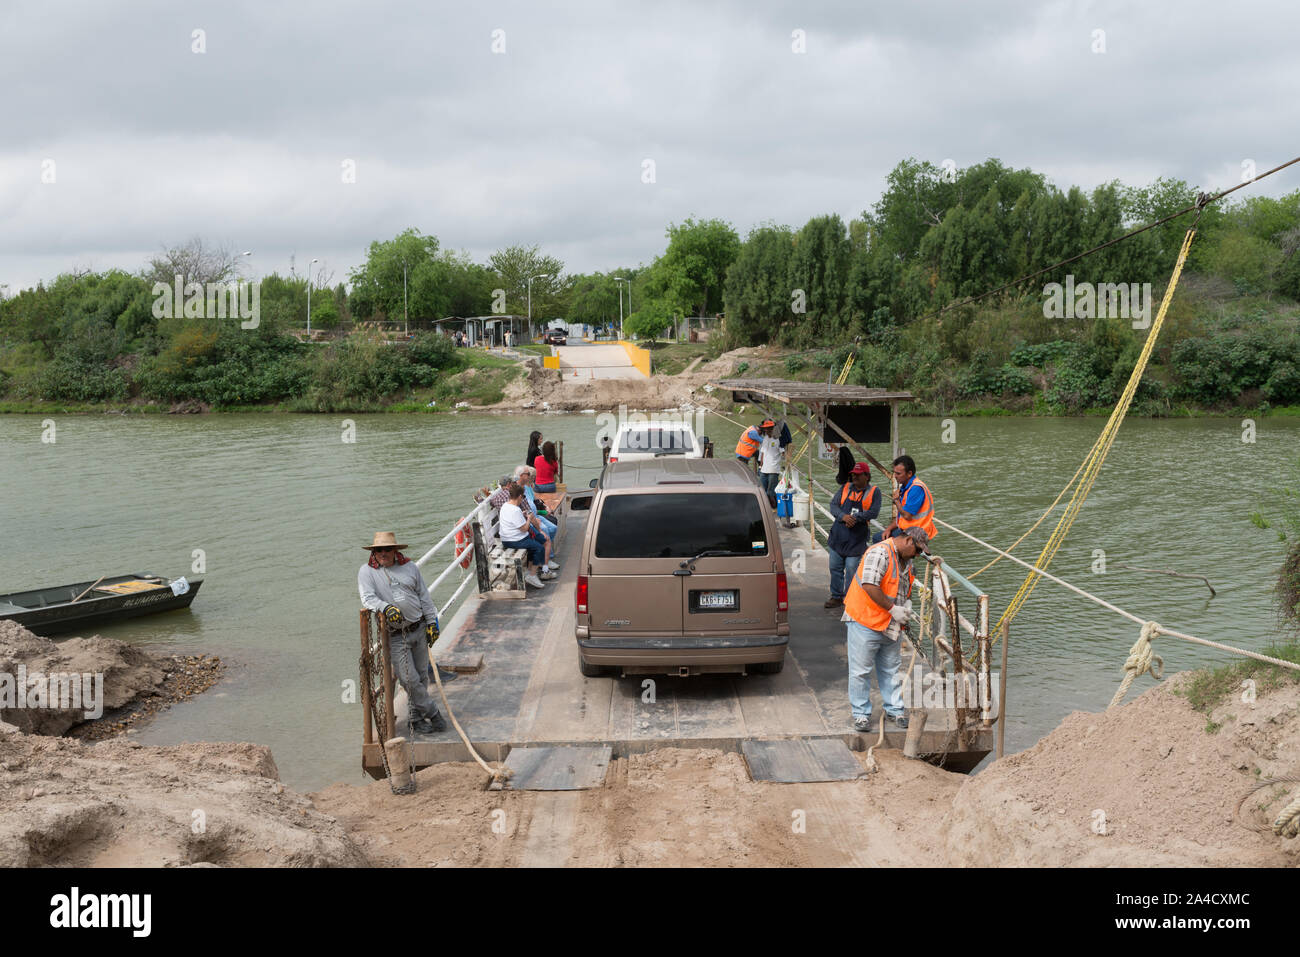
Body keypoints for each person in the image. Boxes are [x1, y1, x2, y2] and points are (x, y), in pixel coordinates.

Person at [842, 527, 939, 733]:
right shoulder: (880, 553)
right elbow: (870, 585)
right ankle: (861, 715)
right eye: (918, 550)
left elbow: (903, 588)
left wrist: (906, 607)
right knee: (861, 671)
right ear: (908, 541)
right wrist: (893, 609)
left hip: (891, 625)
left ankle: (895, 709)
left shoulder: (907, 561)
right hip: (865, 621)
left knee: (891, 669)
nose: (919, 555)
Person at [357, 531, 447, 734]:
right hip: (396, 635)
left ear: (395, 550)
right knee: (409, 678)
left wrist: (432, 622)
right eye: (378, 550)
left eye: (387, 549)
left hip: (419, 626)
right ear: (373, 552)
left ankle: (415, 719)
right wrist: (385, 607)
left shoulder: (410, 567)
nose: (382, 553)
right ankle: (433, 713)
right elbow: (367, 598)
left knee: (422, 676)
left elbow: (424, 596)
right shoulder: (367, 572)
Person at [825, 463, 881, 609]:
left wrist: (855, 518)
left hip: (856, 539)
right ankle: (836, 596)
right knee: (835, 568)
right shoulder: (845, 488)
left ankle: (850, 598)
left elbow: (874, 512)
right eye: (853, 474)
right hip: (838, 536)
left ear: (867, 476)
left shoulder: (874, 492)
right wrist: (844, 517)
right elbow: (833, 506)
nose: (854, 477)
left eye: (858, 474)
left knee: (851, 569)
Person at [499, 483, 556, 587]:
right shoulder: (515, 510)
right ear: (520, 496)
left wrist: (523, 515)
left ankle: (534, 571)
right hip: (515, 540)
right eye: (523, 497)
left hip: (510, 537)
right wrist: (529, 518)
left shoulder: (506, 506)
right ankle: (532, 575)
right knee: (539, 548)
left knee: (543, 539)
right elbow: (524, 528)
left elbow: (519, 525)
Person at [884, 454, 937, 542]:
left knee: (879, 540)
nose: (895, 476)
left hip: (918, 533)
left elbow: (907, 516)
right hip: (907, 530)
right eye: (894, 472)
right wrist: (888, 528)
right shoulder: (906, 487)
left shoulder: (916, 488)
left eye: (898, 473)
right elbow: (901, 518)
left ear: (909, 474)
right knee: (880, 537)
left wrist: (896, 500)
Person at [514, 465, 559, 543]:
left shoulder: (528, 488)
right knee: (545, 529)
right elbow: (521, 510)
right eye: (528, 474)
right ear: (522, 476)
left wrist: (545, 507)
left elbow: (536, 500)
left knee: (553, 528)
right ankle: (547, 550)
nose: (532, 477)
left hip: (535, 515)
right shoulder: (518, 490)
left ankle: (546, 546)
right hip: (530, 518)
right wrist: (534, 518)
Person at [757, 429, 783, 505]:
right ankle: (766, 507)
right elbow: (762, 453)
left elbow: (783, 452)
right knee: (763, 491)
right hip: (763, 470)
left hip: (773, 470)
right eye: (766, 430)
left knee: (771, 492)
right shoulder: (765, 438)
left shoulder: (779, 440)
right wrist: (760, 466)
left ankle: (774, 508)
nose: (767, 432)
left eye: (769, 430)